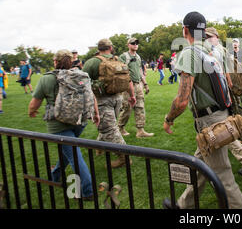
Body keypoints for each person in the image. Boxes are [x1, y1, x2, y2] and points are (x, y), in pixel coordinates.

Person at [162, 12, 242, 209]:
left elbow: (182, 100)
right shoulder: (212, 51)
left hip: (210, 120)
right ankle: (184, 205)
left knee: (222, 174)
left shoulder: (190, 53)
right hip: (221, 115)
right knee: (200, 166)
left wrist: (169, 118)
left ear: (185, 30)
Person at [28, 50, 100, 200]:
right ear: (71, 62)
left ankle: (88, 192)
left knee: (73, 155)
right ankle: (55, 175)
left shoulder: (47, 78)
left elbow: (35, 102)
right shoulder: (80, 75)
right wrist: (96, 113)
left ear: (55, 61)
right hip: (79, 121)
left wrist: (31, 111)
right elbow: (91, 95)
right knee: (68, 151)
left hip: (58, 124)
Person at [205, 27, 242, 176]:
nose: (207, 38)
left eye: (210, 36)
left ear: (216, 36)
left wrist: (229, 86)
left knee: (223, 124)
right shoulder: (217, 49)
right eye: (205, 36)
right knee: (225, 122)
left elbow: (226, 70)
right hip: (223, 90)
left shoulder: (218, 50)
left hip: (220, 93)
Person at [83, 39, 137, 168]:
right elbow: (128, 79)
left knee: (110, 129)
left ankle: (124, 158)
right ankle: (100, 147)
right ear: (111, 48)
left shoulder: (92, 62)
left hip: (101, 100)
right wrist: (132, 95)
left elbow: (82, 82)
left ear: (98, 48)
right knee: (108, 125)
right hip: (118, 98)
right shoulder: (118, 60)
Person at [117, 37, 154, 138]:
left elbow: (140, 71)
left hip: (138, 85)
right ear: (128, 45)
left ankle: (140, 130)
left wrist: (145, 84)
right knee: (127, 108)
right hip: (127, 86)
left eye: (137, 43)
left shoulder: (138, 57)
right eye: (133, 43)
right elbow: (122, 73)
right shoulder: (123, 57)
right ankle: (120, 128)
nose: (135, 44)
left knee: (140, 107)